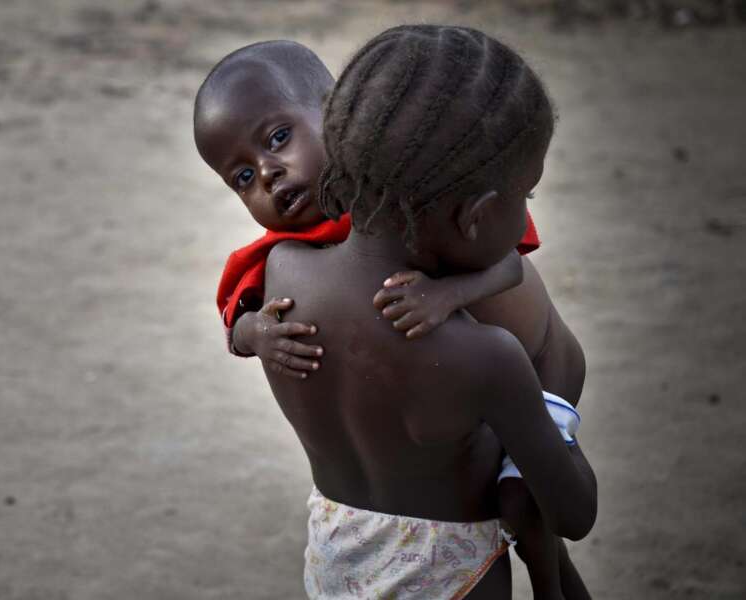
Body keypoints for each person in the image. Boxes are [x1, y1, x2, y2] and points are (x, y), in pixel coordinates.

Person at [194, 31, 594, 598]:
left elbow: (507, 267)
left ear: (339, 120)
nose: (267, 174)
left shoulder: (311, 256)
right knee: (524, 505)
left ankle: (553, 578)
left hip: (346, 538)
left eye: (279, 138)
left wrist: (447, 296)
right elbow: (237, 318)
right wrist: (256, 332)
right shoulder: (282, 255)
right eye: (242, 178)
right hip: (457, 543)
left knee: (529, 513)